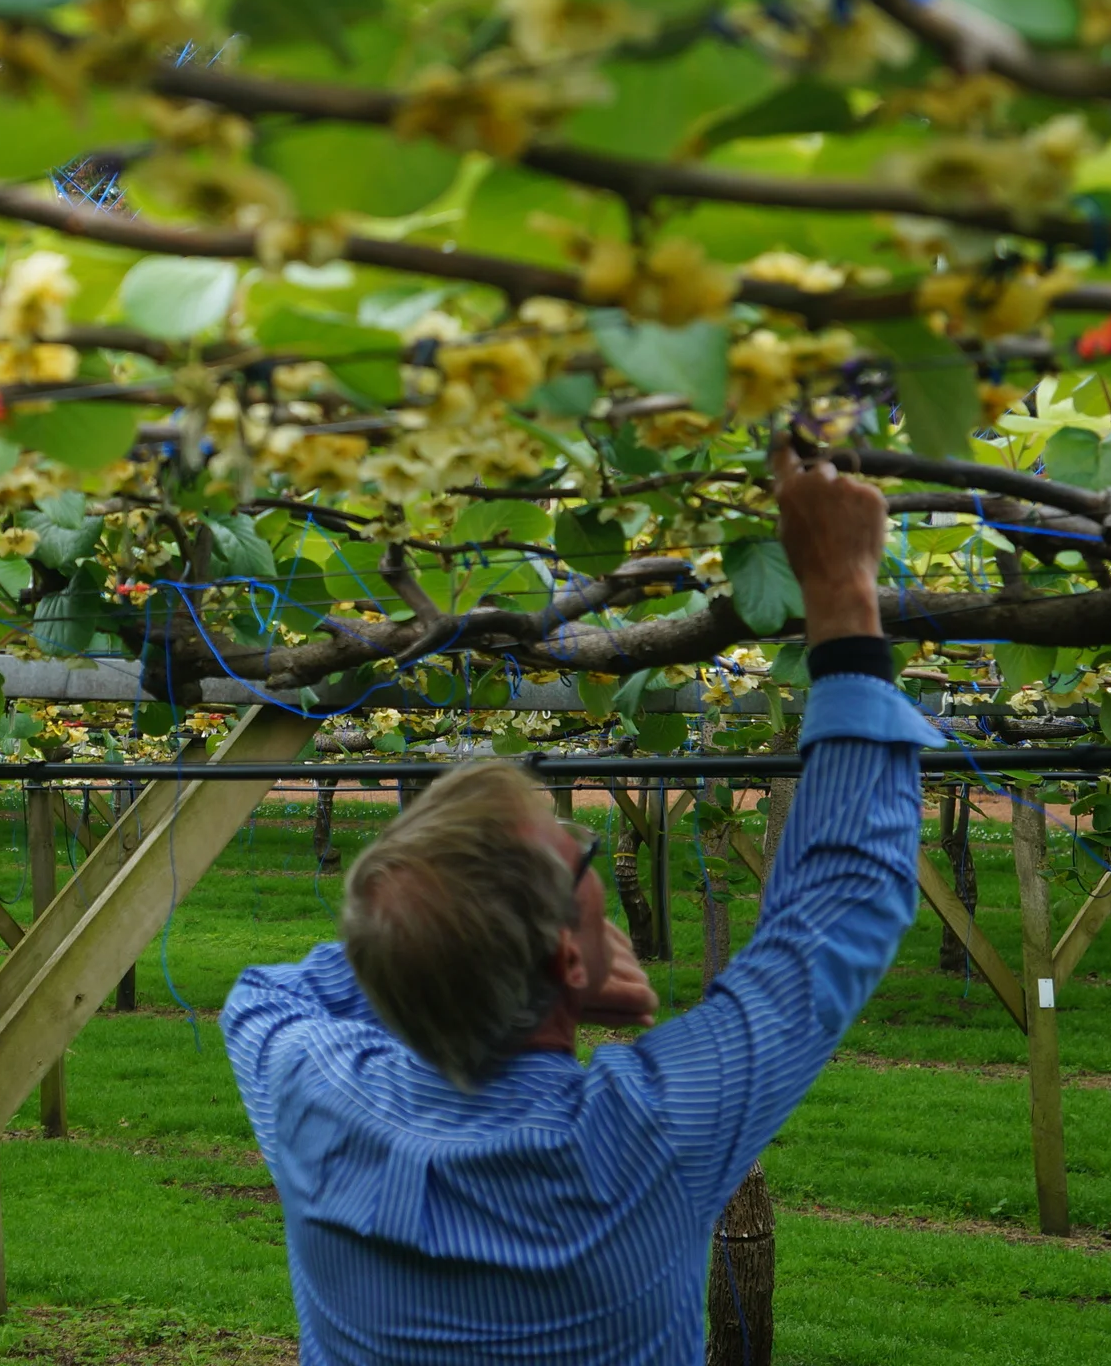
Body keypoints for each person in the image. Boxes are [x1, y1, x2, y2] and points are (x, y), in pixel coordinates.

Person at [222, 442, 942, 1364]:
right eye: (579, 854)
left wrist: (481, 963)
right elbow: (842, 897)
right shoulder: (644, 1139)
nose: (584, 839)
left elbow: (268, 994)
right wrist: (843, 589)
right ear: (564, 954)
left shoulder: (316, 1093)